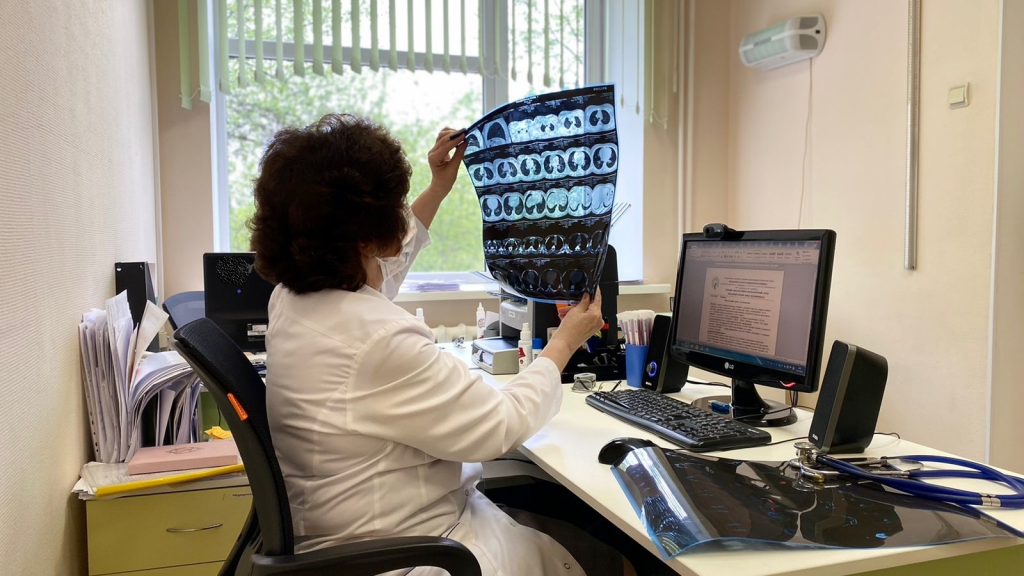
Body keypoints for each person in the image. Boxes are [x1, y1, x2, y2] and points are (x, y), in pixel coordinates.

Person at [249, 113, 633, 576]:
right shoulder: (377, 337)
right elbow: (499, 426)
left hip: (355, 530)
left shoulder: (292, 300)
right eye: (395, 204)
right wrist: (566, 340)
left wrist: (438, 188)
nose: (400, 215)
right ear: (367, 234)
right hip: (415, 551)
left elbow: (381, 274)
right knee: (617, 559)